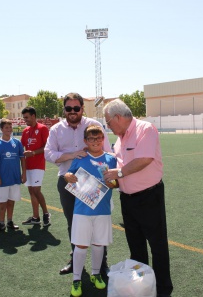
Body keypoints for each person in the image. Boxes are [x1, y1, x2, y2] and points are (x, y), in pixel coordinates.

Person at [103, 99, 173, 297]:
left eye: (108, 122)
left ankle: (162, 290)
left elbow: (144, 159)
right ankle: (142, 287)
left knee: (157, 246)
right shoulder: (120, 138)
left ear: (118, 117)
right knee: (136, 247)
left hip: (149, 197)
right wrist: (113, 180)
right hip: (127, 199)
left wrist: (119, 174)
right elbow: (119, 165)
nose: (108, 126)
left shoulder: (145, 129)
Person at [44, 92, 111, 275]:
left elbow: (107, 151)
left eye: (76, 108)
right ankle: (75, 261)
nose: (72, 111)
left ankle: (102, 263)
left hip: (93, 183)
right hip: (68, 181)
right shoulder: (56, 129)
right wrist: (72, 155)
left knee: (98, 223)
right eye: (68, 108)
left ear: (82, 108)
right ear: (64, 109)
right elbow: (48, 153)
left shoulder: (94, 125)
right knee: (73, 223)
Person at [63, 125, 117, 297]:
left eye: (98, 138)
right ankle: (76, 279)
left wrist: (113, 184)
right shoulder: (80, 158)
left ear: (103, 139)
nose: (95, 141)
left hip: (102, 210)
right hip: (82, 210)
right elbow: (68, 176)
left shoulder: (111, 159)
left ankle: (95, 274)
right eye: (91, 139)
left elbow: (116, 183)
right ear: (85, 141)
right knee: (80, 245)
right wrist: (68, 177)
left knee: (98, 244)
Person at [0, 118, 26, 234]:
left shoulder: (17, 143)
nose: (9, 129)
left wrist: (23, 173)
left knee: (11, 201)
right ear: (1, 129)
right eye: (6, 127)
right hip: (2, 178)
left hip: (15, 178)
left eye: (10, 127)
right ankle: (1, 223)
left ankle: (9, 221)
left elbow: (22, 159)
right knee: (2, 202)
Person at [20, 106, 51, 227]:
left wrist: (33, 153)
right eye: (24, 118)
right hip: (27, 165)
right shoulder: (25, 130)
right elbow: (20, 146)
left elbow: (47, 147)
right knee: (31, 191)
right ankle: (35, 217)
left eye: (27, 117)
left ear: (33, 116)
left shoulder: (42, 128)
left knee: (37, 191)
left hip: (38, 165)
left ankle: (46, 213)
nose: (25, 120)